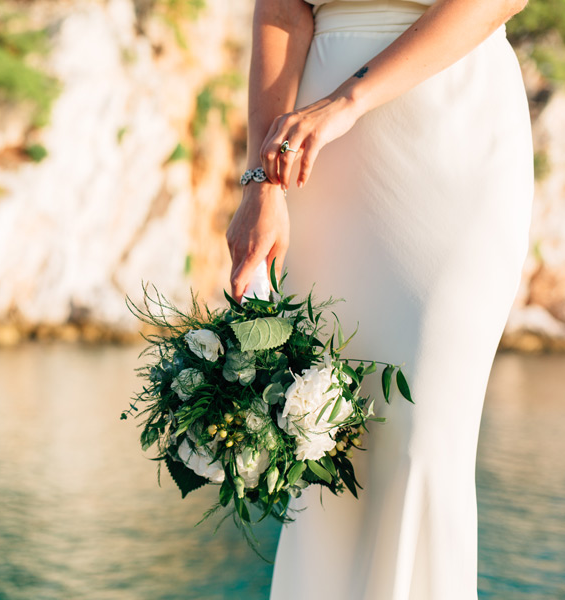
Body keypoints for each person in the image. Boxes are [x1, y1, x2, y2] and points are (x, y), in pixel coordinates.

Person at [225, 0, 534, 598]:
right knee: (329, 441)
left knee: (423, 437)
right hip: (319, 165)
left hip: (452, 131)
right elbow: (282, 14)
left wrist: (348, 101)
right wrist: (261, 181)